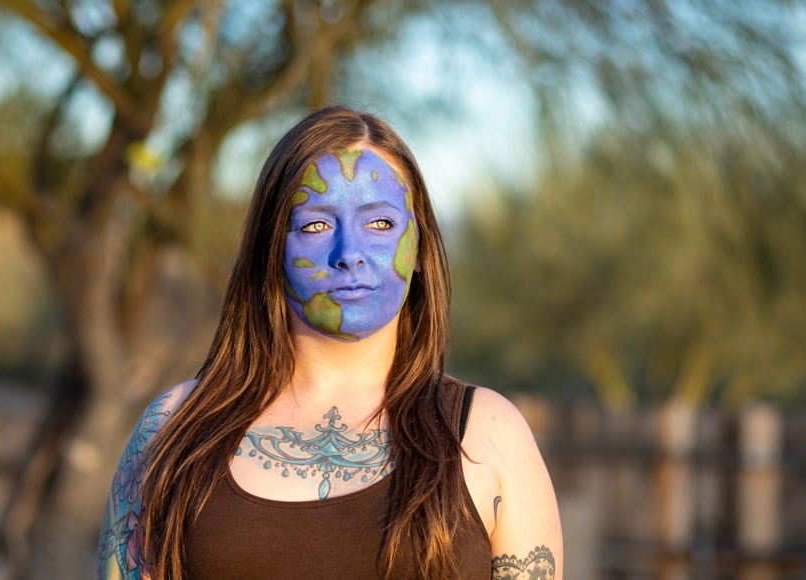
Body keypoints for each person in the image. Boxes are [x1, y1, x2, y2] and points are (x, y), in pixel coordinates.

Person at [96, 105, 562, 580]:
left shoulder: (488, 435)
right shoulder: (172, 429)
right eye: (316, 225)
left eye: (379, 224)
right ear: (271, 248)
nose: (350, 255)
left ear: (418, 246)